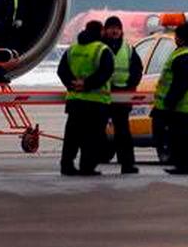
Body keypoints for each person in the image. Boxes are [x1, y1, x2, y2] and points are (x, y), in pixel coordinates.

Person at [56, 20, 114, 176]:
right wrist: (87, 84)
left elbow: (61, 70)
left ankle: (66, 165)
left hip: (75, 101)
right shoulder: (102, 50)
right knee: (92, 137)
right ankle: (87, 167)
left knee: (72, 136)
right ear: (100, 32)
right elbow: (106, 72)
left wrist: (72, 84)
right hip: (96, 102)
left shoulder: (72, 49)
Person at [153, 22, 188, 175]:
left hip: (181, 106)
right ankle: (183, 165)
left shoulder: (185, 55)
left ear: (180, 38)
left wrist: (170, 101)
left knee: (180, 138)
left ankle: (183, 166)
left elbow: (180, 83)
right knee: (182, 138)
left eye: (176, 36)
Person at [102, 15, 142, 174]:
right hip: (103, 94)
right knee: (97, 130)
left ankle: (127, 163)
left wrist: (131, 85)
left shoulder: (128, 49)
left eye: (117, 28)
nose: (115, 31)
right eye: (112, 28)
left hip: (122, 95)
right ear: (105, 30)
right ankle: (94, 159)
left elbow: (137, 69)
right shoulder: (100, 47)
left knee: (123, 132)